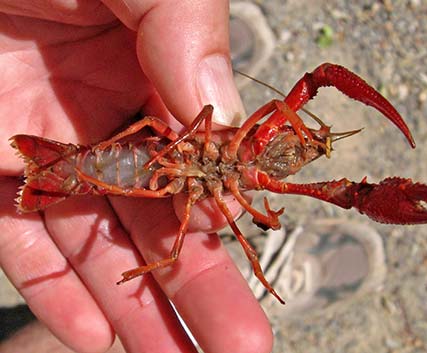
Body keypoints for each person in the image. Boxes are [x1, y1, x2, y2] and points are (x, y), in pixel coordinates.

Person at [0, 1, 273, 352]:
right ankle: (187, 69)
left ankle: (187, 68)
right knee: (188, 111)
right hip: (154, 161)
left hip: (153, 174)